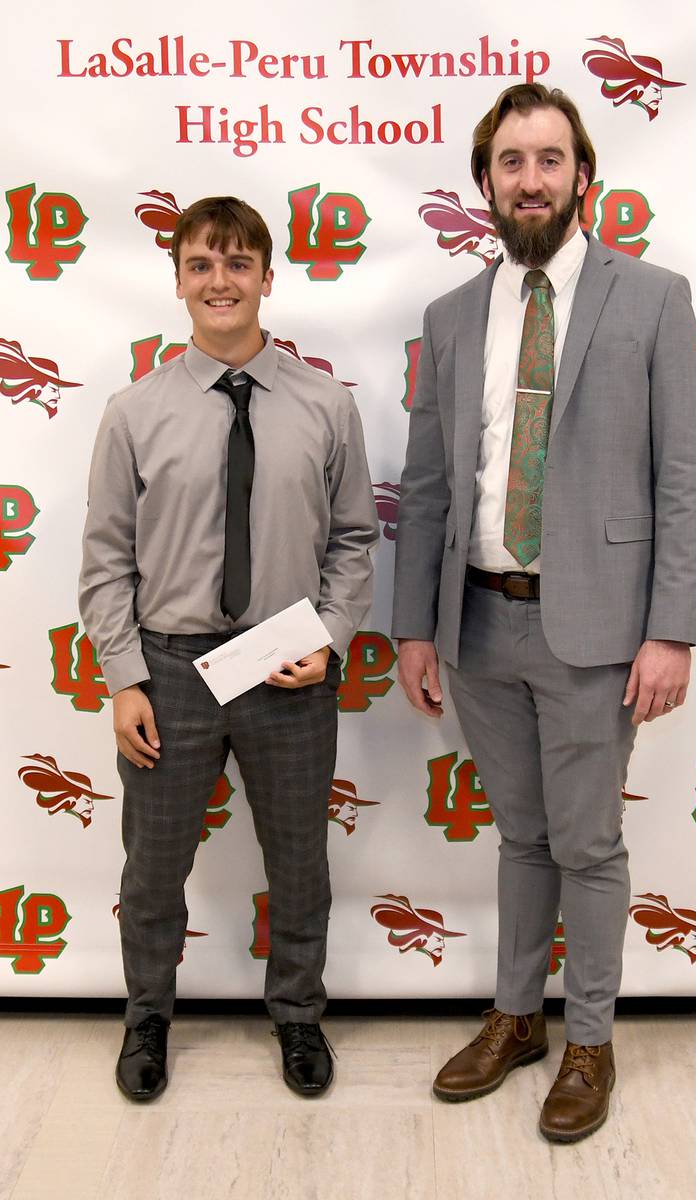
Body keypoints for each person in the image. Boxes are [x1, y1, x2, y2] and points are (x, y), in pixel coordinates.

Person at [392, 83, 696, 1142]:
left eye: (549, 159)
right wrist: (412, 628)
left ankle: (588, 1040)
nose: (530, 179)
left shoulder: (653, 298)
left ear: (583, 176)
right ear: (483, 182)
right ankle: (513, 1017)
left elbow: (680, 479)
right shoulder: (447, 318)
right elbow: (430, 483)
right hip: (477, 623)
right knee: (520, 839)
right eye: (510, 161)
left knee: (586, 844)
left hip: (595, 626)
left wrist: (668, 628)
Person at [79, 195, 379, 1102]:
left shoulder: (326, 406)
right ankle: (146, 1019)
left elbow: (355, 540)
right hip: (170, 669)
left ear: (266, 277)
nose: (221, 281)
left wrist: (330, 637)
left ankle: (296, 1016)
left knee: (299, 861)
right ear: (177, 282)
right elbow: (105, 558)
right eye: (202, 265)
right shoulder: (135, 413)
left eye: (238, 263)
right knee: (155, 860)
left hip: (288, 667)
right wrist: (125, 678)